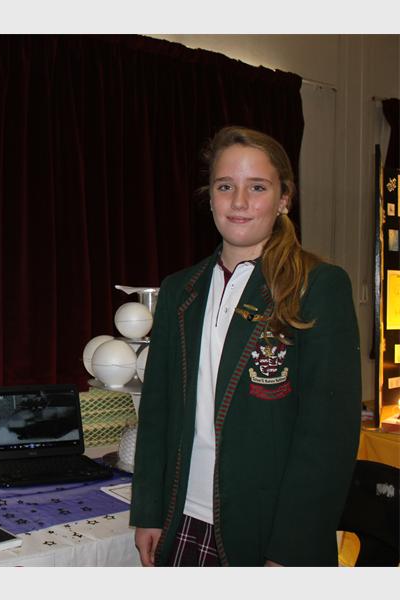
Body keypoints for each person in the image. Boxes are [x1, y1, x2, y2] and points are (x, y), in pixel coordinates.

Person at [130, 126, 362, 567]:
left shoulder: (318, 287)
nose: (239, 202)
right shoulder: (180, 290)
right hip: (183, 519)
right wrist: (149, 511)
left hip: (268, 534)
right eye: (225, 187)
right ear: (210, 198)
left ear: (284, 198)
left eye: (257, 187)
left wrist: (290, 551)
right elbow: (157, 411)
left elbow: (327, 438)